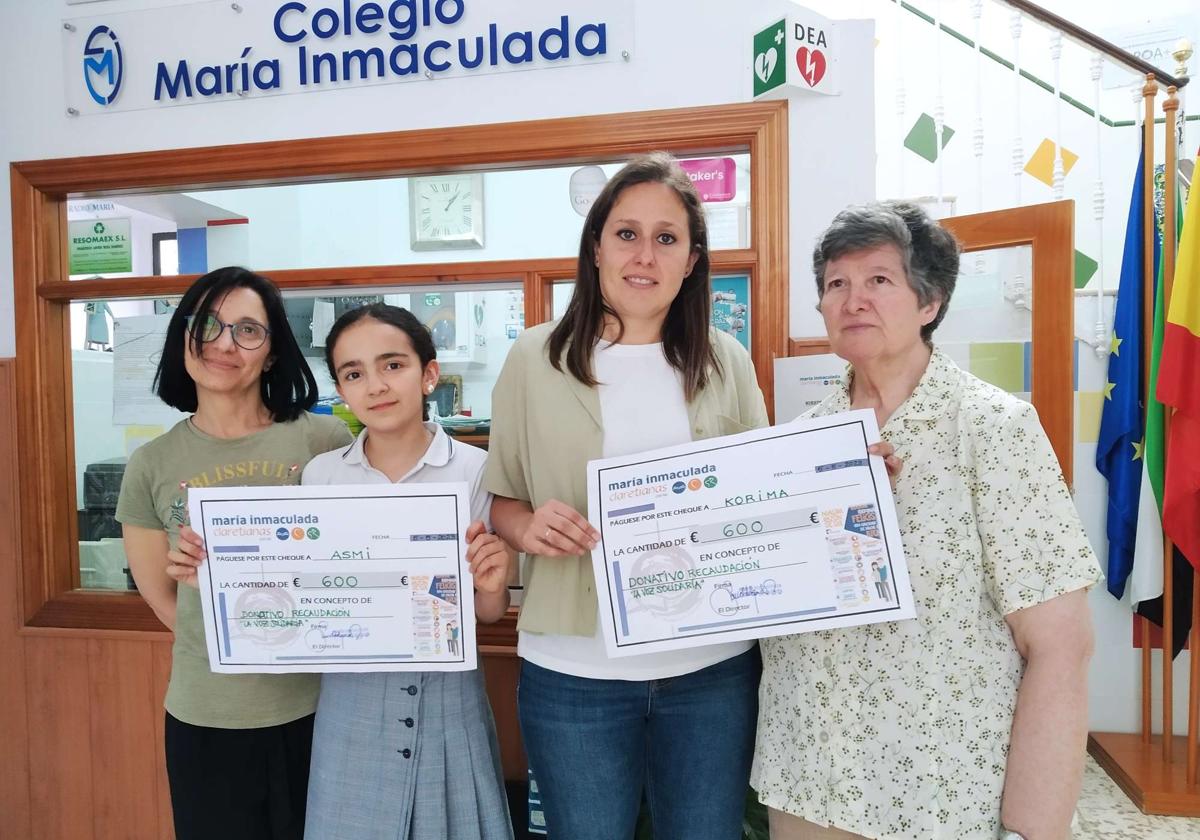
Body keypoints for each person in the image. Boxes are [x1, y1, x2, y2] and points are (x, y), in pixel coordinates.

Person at [752, 202, 1102, 840]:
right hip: (808, 780)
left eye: (879, 279)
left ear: (929, 302)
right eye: (836, 283)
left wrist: (1035, 827)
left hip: (942, 792)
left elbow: (1060, 645)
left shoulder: (993, 428)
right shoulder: (800, 442)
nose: (853, 299)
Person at [485, 151, 783, 839]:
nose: (644, 255)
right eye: (626, 233)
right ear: (596, 247)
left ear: (692, 260)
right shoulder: (533, 358)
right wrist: (527, 528)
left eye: (666, 238)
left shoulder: (725, 359)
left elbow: (765, 492)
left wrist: (841, 470)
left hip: (710, 670)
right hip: (574, 673)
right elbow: (501, 498)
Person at [116, 267, 354, 840]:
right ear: (184, 339)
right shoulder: (151, 464)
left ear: (271, 354)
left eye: (248, 330)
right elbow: (164, 601)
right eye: (208, 325)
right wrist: (216, 601)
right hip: (207, 714)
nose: (224, 344)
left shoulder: (324, 441)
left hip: (321, 707)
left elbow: (357, 559)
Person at [301, 303, 513, 840]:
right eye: (354, 374)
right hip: (350, 702)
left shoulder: (476, 469)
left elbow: (487, 613)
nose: (376, 385)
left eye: (393, 365)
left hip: (448, 699)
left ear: (429, 374)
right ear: (341, 390)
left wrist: (491, 585)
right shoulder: (322, 477)